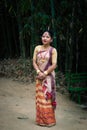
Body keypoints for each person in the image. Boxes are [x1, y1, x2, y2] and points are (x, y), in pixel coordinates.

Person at [33, 30, 57, 127]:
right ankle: (40, 120)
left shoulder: (53, 50)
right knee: (40, 99)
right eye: (43, 36)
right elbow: (34, 61)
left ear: (51, 39)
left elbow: (54, 64)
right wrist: (39, 72)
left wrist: (45, 73)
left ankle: (49, 121)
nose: (45, 38)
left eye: (47, 37)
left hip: (48, 77)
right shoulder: (37, 48)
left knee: (47, 98)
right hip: (39, 77)